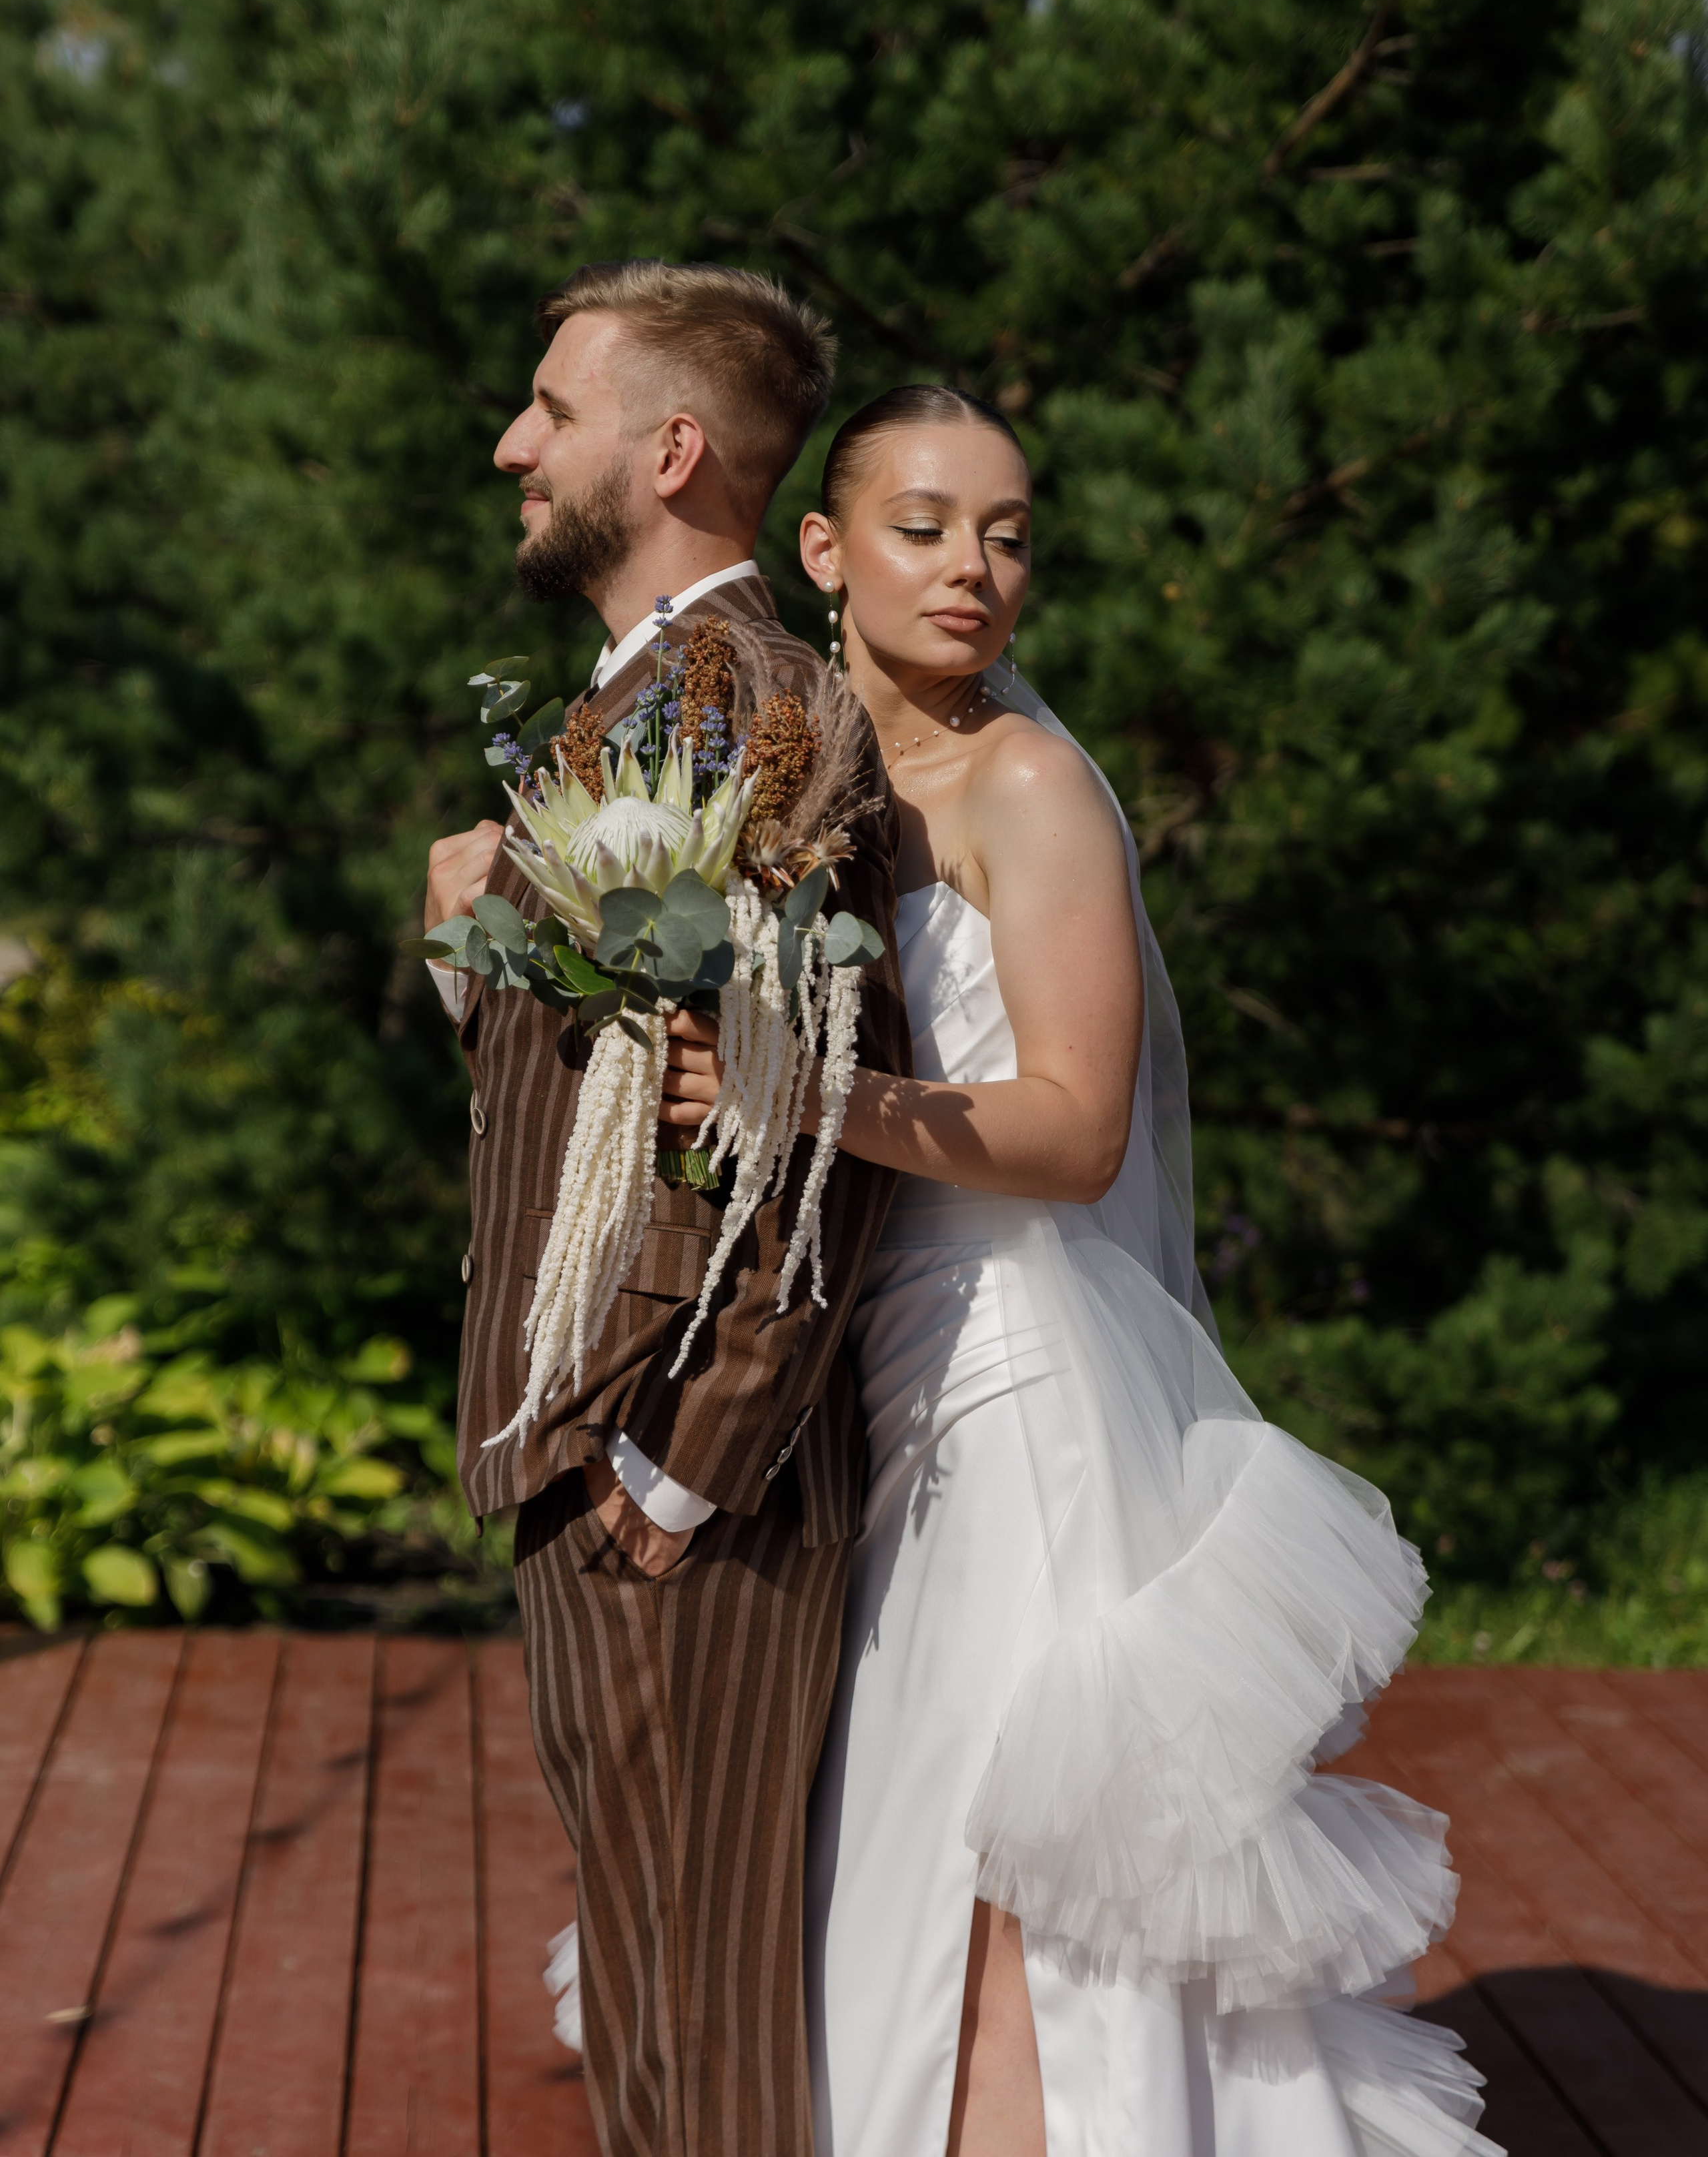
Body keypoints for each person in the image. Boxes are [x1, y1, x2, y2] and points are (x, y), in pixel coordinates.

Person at [665, 382, 1501, 2157]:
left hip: (1009, 1381)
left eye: (1010, 531)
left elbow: (1074, 1132)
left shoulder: (1027, 783)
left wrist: (805, 1090)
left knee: (1000, 1875)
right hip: (864, 1378)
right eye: (927, 523)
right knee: (891, 1831)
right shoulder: (793, 789)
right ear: (823, 551)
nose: (976, 566)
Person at [422, 262, 909, 2157]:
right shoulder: (643, 700)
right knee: (643, 1976)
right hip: (594, 1436)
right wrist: (474, 949)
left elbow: (797, 1137)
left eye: (552, 407)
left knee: (697, 2010)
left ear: (673, 447)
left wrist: (681, 1466)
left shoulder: (751, 707)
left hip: (682, 1470)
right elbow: (635, 1074)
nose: (513, 444)